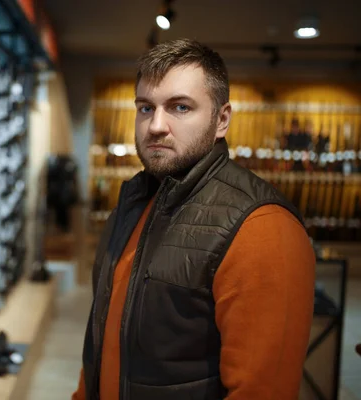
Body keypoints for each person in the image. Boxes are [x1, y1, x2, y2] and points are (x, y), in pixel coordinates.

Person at [72, 39, 316, 400]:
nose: (156, 125)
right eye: (145, 108)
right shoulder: (136, 202)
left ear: (222, 119)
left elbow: (262, 391)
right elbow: (103, 340)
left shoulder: (262, 226)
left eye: (180, 107)